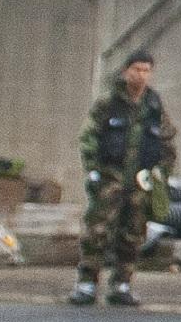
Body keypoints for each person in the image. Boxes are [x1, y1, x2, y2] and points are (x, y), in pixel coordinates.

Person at [72, 51, 173, 307]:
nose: (141, 75)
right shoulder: (109, 103)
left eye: (146, 70)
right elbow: (89, 136)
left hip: (140, 181)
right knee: (97, 230)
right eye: (137, 69)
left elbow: (167, 140)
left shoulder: (154, 106)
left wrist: (161, 174)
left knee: (133, 233)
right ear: (126, 71)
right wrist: (93, 169)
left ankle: (122, 283)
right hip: (111, 177)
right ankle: (87, 283)